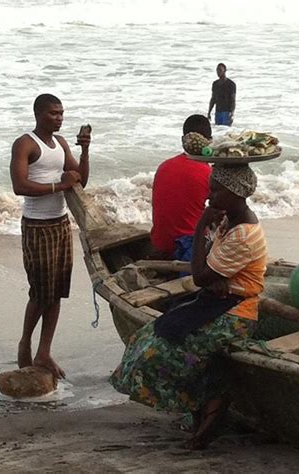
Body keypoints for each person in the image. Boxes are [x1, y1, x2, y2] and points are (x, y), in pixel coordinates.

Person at [110, 164, 267, 449]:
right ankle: (201, 409)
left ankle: (209, 415)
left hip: (236, 314)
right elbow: (207, 270)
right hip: (219, 301)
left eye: (216, 191)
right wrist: (209, 274)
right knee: (147, 335)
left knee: (161, 351)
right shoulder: (228, 221)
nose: (209, 197)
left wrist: (199, 230)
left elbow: (200, 275)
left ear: (235, 192)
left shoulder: (243, 233)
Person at [10, 93, 91, 379]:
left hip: (60, 223)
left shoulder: (61, 143)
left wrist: (85, 151)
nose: (59, 118)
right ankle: (25, 342)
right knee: (40, 290)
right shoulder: (26, 144)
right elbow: (19, 185)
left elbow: (79, 178)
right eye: (53, 113)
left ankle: (44, 351)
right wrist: (59, 186)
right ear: (38, 114)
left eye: (61, 113)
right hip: (36, 225)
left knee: (56, 291)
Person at [150, 114, 212, 261]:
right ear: (209, 142)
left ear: (183, 140)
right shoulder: (208, 173)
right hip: (188, 246)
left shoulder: (164, 166)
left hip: (160, 243)